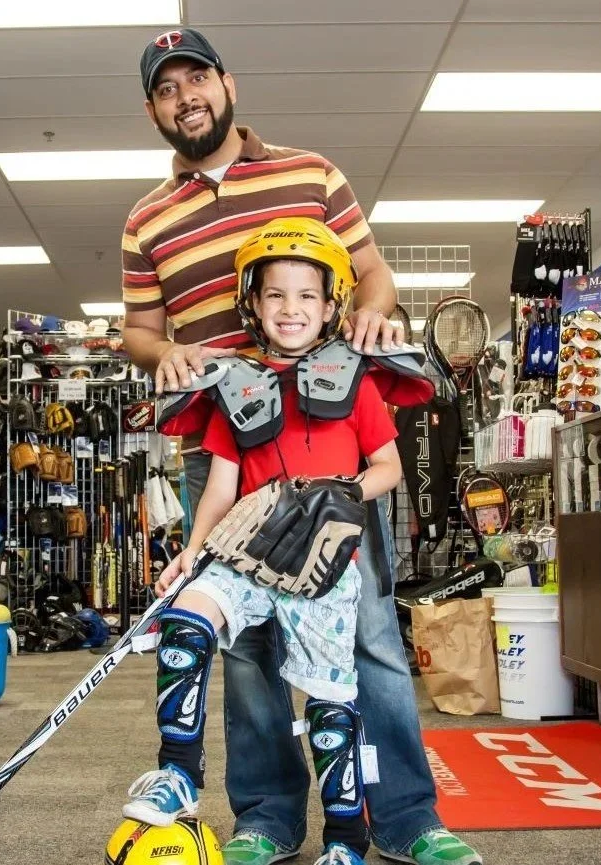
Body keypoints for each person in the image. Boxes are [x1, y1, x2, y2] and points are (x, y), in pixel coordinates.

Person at [121, 28, 482, 865]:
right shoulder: (147, 216)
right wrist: (160, 351)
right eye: (168, 90)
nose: (187, 99)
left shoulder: (310, 172)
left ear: (226, 84)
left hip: (330, 441)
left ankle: (402, 817)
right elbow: (139, 329)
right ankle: (269, 815)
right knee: (247, 646)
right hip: (230, 435)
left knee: (366, 634)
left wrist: (372, 313)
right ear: (154, 109)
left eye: (196, 80)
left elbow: (373, 272)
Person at [124, 217, 400, 865]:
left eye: (307, 295)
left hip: (323, 563)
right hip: (247, 552)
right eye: (276, 294)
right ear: (251, 302)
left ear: (333, 304)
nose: (291, 308)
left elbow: (388, 466)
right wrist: (193, 552)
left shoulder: (355, 381)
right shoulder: (234, 388)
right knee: (188, 617)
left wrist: (345, 493)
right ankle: (178, 774)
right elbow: (219, 487)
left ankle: (345, 840)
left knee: (332, 706)